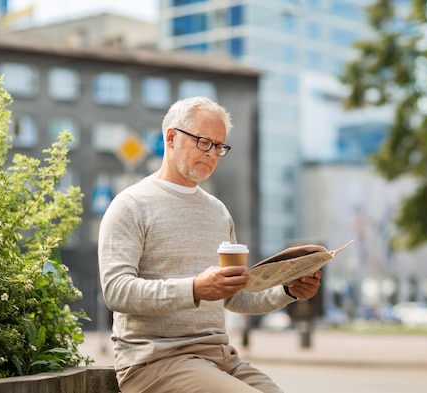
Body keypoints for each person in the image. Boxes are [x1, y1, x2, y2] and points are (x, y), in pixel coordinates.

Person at [98, 96, 325, 393]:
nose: (213, 154)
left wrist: (286, 291)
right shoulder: (130, 205)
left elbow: (233, 297)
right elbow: (116, 291)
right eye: (204, 142)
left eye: (219, 146)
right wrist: (194, 288)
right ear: (171, 137)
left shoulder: (218, 211)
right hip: (156, 362)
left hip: (220, 359)